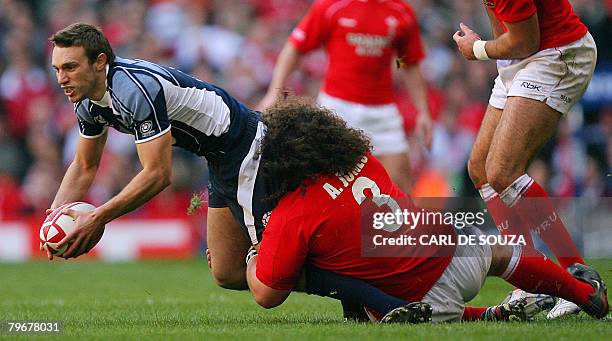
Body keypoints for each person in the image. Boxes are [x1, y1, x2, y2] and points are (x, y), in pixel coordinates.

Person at [44, 23, 436, 321]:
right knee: (229, 271)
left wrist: (97, 217)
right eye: (58, 68)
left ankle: (381, 305)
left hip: (246, 148)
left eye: (70, 67)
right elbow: (84, 165)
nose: (61, 77)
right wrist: (53, 220)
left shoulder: (134, 90)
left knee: (267, 282)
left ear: (100, 62)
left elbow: (157, 174)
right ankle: (359, 295)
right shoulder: (88, 101)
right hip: (219, 158)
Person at [244, 98, 609, 322]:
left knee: (374, 295)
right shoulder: (358, 157)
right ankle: (581, 292)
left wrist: (252, 255)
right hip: (449, 249)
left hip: (411, 301)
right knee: (498, 252)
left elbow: (266, 294)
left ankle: (484, 316)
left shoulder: (293, 212)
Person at [452, 0, 597, 318]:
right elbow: (503, 22)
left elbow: (526, 40)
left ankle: (580, 276)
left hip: (557, 54)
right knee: (481, 170)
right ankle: (532, 278)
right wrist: (493, 52)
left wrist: (477, 49)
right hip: (522, 59)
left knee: (503, 172)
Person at [257, 0, 433, 194]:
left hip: (383, 113)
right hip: (337, 110)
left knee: (400, 187)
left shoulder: (401, 12)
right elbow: (295, 47)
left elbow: (410, 62)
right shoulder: (331, 6)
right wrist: (274, 91)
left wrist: (423, 112)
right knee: (325, 184)